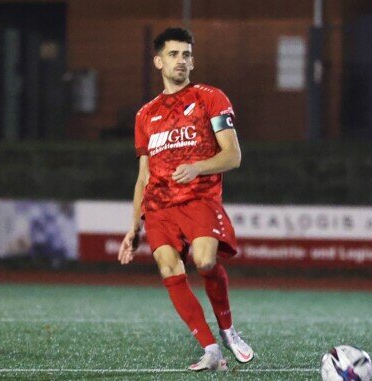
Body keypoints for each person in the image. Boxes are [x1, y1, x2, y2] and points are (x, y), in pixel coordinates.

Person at [117, 27, 254, 372]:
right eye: (175, 54)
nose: (182, 60)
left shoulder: (211, 98)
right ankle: (210, 349)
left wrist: (197, 168)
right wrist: (133, 226)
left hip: (199, 199)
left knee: (206, 262)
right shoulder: (145, 115)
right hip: (159, 208)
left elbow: (233, 156)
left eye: (187, 54)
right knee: (169, 268)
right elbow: (143, 177)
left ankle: (227, 329)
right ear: (158, 61)